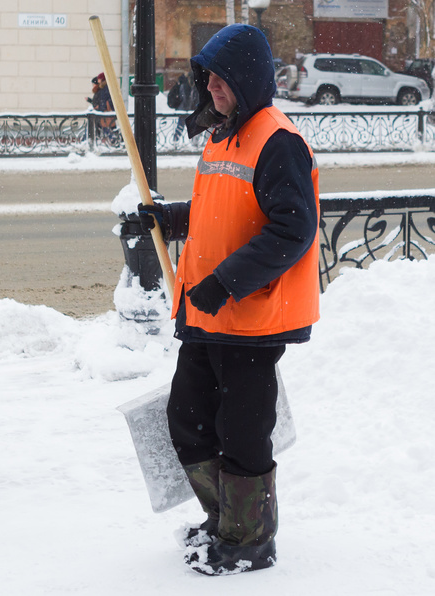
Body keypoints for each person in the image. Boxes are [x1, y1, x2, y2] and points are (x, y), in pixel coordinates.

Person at [138, 25, 320, 575]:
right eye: (208, 79)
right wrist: (169, 220)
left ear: (248, 79)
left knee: (241, 432)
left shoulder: (277, 140)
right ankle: (226, 519)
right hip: (206, 312)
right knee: (188, 419)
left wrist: (227, 280)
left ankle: (250, 542)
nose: (213, 88)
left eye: (222, 79)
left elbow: (294, 229)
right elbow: (222, 210)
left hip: (250, 316)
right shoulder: (222, 135)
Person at [167, 71, 199, 142]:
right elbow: (190, 99)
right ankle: (177, 141)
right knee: (186, 126)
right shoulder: (186, 86)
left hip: (185, 110)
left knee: (182, 126)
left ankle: (176, 141)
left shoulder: (185, 85)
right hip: (186, 110)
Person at [90, 72, 116, 142]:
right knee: (106, 128)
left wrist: (99, 108)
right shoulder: (105, 88)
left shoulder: (104, 89)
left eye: (99, 79)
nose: (98, 80)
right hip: (105, 112)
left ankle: (114, 141)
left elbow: (104, 101)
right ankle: (114, 141)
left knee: (106, 128)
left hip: (105, 113)